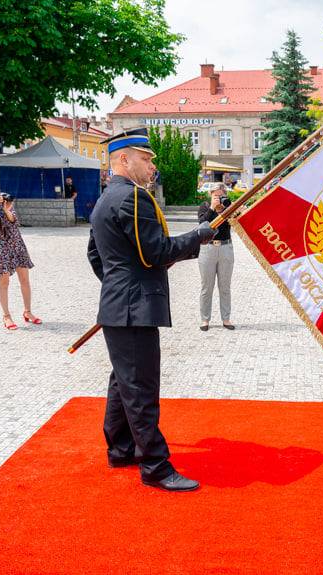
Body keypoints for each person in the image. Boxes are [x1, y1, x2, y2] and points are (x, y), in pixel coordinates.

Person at [87, 127, 216, 492]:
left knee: (123, 382)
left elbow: (96, 256)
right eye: (144, 159)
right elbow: (157, 252)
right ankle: (155, 467)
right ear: (123, 159)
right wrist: (199, 236)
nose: (150, 166)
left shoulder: (104, 199)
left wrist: (118, 286)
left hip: (121, 306)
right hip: (133, 308)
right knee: (141, 388)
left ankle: (121, 448)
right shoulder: (132, 198)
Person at [0, 178, 39, 329]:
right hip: (0, 246)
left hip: (16, 243)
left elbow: (14, 221)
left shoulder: (5, 199)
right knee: (4, 281)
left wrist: (6, 210)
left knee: (25, 279)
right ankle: (6, 316)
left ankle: (28, 312)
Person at [197, 182, 235, 331]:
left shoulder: (229, 206)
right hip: (208, 248)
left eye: (221, 195)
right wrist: (213, 208)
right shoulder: (205, 207)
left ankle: (226, 318)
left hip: (226, 247)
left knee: (225, 286)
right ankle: (205, 320)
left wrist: (227, 209)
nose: (219, 198)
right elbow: (202, 223)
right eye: (215, 196)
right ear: (210, 195)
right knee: (207, 286)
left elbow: (235, 221)